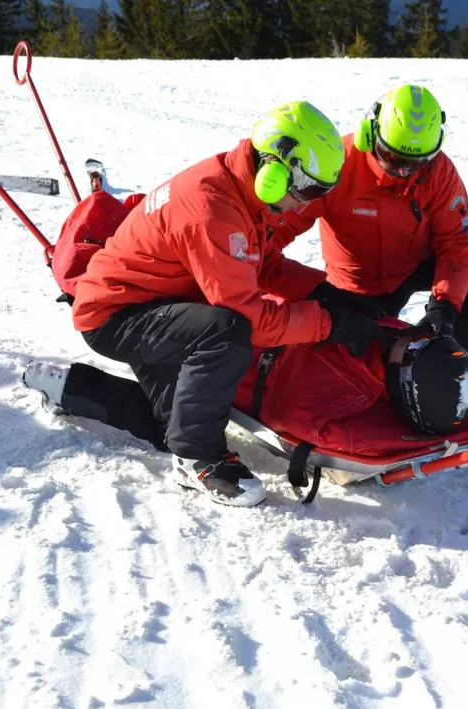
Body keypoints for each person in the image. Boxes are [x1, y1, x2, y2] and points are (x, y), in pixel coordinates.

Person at [56, 100, 386, 508]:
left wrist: (325, 292)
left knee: (172, 426)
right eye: (306, 191)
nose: (304, 205)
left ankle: (69, 388)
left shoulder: (240, 187)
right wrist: (329, 323)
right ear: (275, 172)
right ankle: (197, 460)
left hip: (159, 302)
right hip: (116, 313)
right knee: (226, 333)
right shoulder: (213, 208)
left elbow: (261, 262)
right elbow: (251, 317)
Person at [286, 84, 468, 412]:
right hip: (357, 285)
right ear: (370, 135)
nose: (405, 171)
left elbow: (457, 240)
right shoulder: (339, 163)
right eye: (394, 158)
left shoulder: (439, 172)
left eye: (417, 163)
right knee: (364, 374)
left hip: (414, 262)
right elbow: (278, 228)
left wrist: (445, 306)